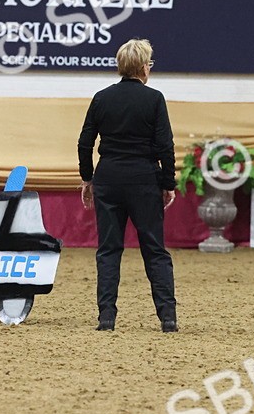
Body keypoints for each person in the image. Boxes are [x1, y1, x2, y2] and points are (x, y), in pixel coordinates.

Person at [77, 38, 179, 333]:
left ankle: (106, 317)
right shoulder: (154, 99)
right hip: (144, 179)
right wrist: (167, 182)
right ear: (143, 68)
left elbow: (85, 143)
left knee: (108, 250)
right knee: (155, 249)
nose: (150, 67)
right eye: (149, 62)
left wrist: (88, 177)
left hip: (109, 177)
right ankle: (167, 317)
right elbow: (165, 146)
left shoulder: (101, 98)